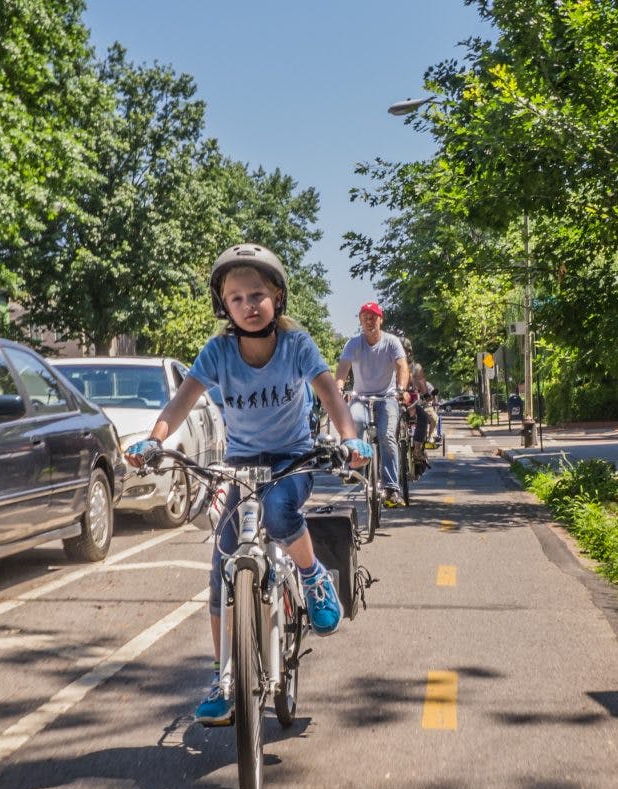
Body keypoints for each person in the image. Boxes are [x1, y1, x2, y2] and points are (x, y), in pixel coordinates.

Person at [125, 243, 371, 727]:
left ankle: (314, 577)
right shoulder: (217, 351)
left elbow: (331, 396)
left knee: (282, 512)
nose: (248, 305)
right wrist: (154, 440)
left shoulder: (297, 345)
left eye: (257, 294)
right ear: (224, 305)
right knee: (221, 567)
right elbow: (180, 404)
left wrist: (349, 439)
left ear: (277, 297)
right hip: (240, 465)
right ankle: (223, 679)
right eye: (236, 298)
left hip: (291, 460)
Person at [334, 302, 410, 507]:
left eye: (373, 317)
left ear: (380, 319)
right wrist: (339, 388)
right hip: (361, 397)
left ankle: (392, 488)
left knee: (386, 436)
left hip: (387, 397)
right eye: (364, 317)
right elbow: (342, 370)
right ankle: (354, 469)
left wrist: (401, 390)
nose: (369, 321)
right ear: (360, 321)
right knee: (355, 422)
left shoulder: (391, 342)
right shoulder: (353, 343)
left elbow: (402, 366)